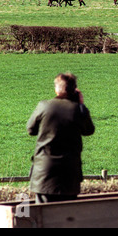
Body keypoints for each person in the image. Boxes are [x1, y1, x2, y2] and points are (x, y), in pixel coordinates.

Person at [26, 72, 95, 204]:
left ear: (56, 89)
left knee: (44, 218)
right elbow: (89, 131)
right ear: (74, 90)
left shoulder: (44, 106)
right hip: (70, 172)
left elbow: (31, 130)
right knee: (67, 217)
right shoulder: (78, 110)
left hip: (44, 171)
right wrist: (80, 104)